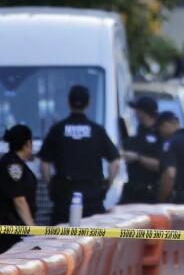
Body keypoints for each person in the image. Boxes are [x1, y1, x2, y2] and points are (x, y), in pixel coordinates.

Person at [39, 85, 120, 225]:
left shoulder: (57, 130)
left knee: (60, 240)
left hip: (64, 198)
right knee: (92, 240)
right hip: (92, 197)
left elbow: (44, 164)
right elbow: (115, 162)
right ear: (89, 103)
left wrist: (51, 185)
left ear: (68, 102)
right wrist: (107, 185)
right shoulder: (97, 131)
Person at [0, 125, 37, 253]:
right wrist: (32, 229)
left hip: (16, 230)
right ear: (27, 143)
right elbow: (19, 200)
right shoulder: (13, 165)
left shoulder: (14, 162)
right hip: (10, 233)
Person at [119, 95, 161, 204]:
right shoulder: (139, 132)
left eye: (137, 110)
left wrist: (137, 158)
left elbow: (161, 165)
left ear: (142, 112)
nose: (136, 114)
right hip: (133, 191)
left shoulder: (160, 134)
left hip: (150, 193)